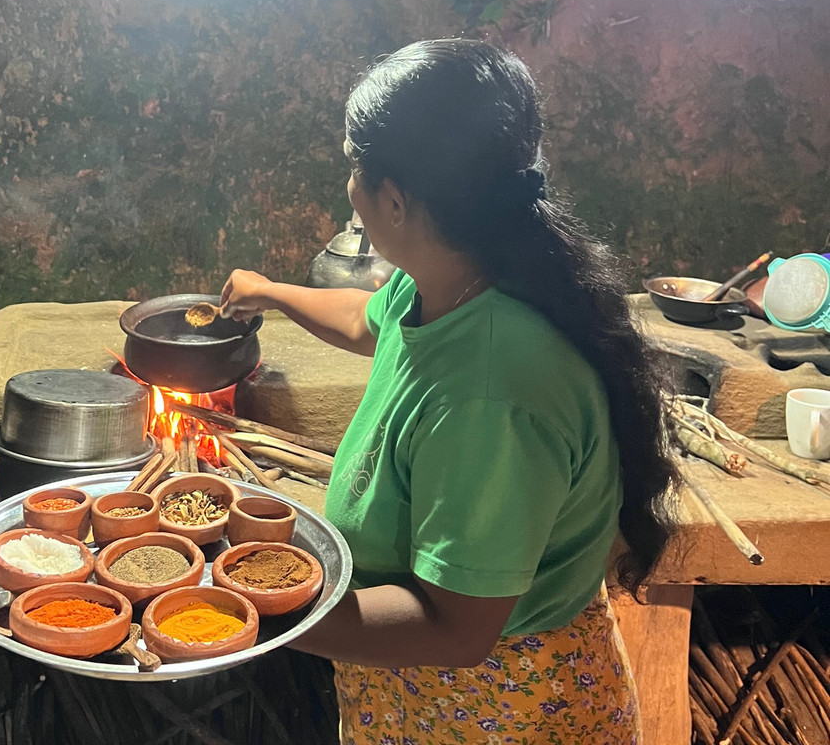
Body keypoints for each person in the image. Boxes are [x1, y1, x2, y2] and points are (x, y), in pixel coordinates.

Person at [218, 39, 678, 744]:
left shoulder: (490, 394)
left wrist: (258, 612)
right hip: (421, 697)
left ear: (395, 201)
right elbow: (365, 318)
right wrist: (268, 292)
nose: (348, 186)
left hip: (496, 713)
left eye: (354, 167)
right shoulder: (454, 273)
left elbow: (457, 628)